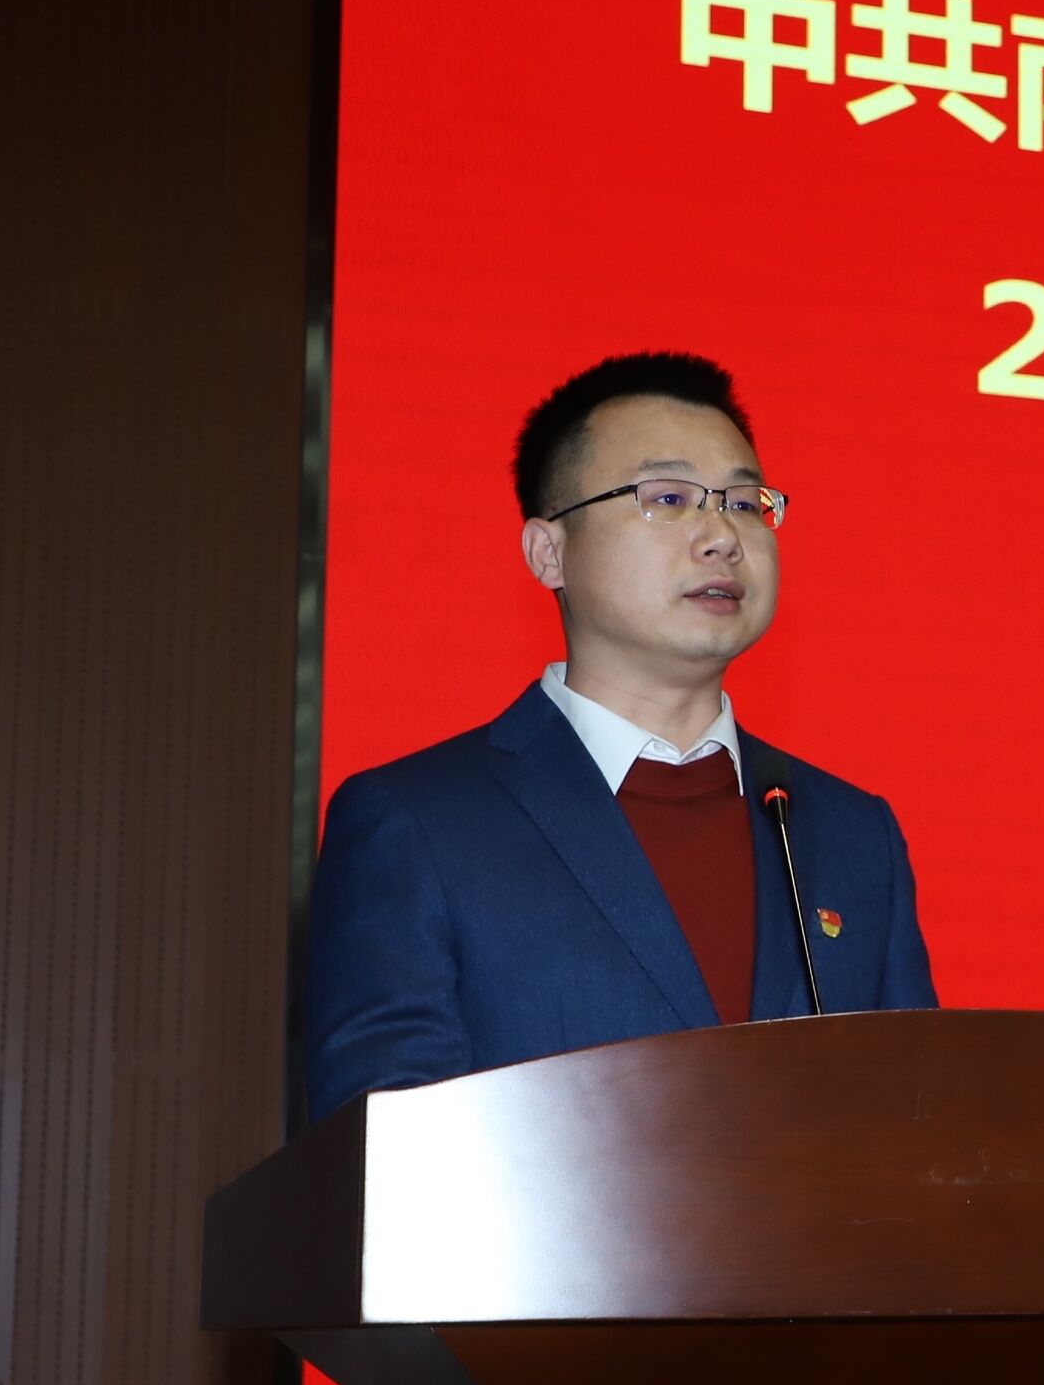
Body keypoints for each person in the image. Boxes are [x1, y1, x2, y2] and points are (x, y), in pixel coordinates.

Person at [302, 352, 937, 1122]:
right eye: (668, 498)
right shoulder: (419, 824)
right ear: (549, 552)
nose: (722, 536)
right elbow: (383, 1151)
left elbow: (919, 1132)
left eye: (745, 503)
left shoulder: (851, 834)